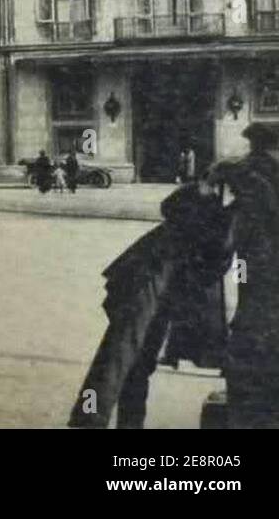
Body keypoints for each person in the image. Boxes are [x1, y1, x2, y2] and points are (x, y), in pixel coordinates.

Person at [68, 170, 233, 428]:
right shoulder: (211, 203)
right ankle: (87, 421)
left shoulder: (224, 208)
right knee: (119, 356)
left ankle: (126, 424)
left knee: (137, 362)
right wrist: (204, 187)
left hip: (164, 283)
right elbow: (172, 209)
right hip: (149, 277)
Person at [223, 123, 279, 429]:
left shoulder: (243, 169)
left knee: (249, 295)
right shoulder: (278, 170)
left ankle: (254, 371)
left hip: (251, 251)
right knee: (272, 303)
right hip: (272, 251)